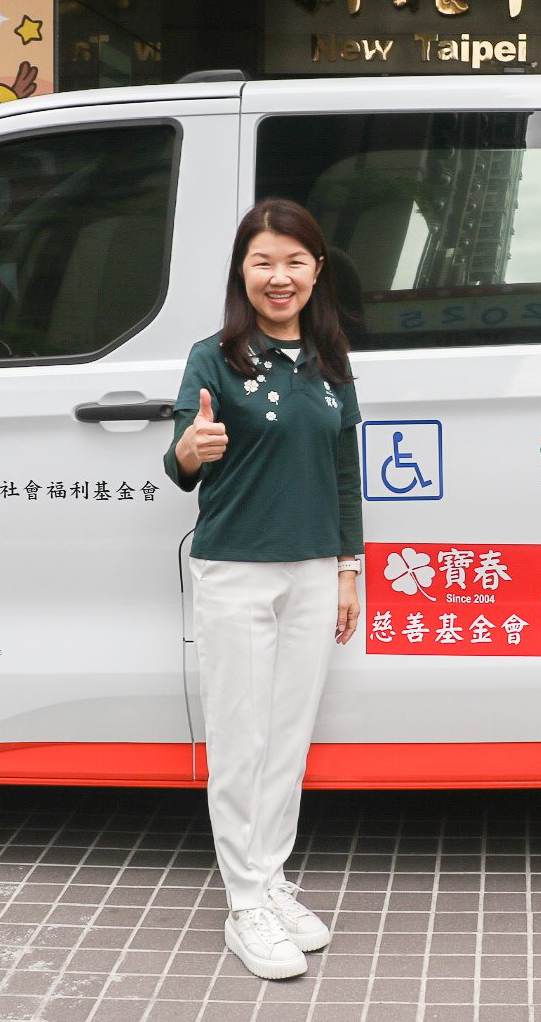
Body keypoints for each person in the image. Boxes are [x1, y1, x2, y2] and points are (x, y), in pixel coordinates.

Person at [165, 199, 363, 980]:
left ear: (317, 271)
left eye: (294, 262)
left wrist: (347, 570)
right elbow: (180, 465)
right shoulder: (212, 359)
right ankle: (244, 903)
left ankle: (272, 881)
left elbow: (345, 476)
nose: (279, 277)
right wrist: (193, 446)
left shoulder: (330, 362)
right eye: (263, 262)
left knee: (287, 738)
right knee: (240, 738)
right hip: (236, 569)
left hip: (314, 570)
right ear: (241, 272)